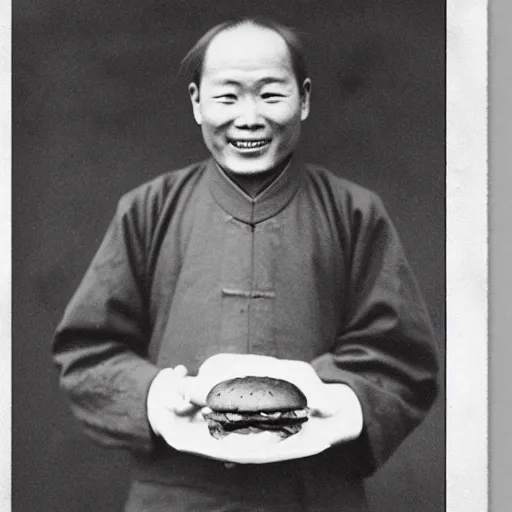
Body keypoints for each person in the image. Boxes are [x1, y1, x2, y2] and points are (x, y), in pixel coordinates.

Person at [52, 17, 439, 512]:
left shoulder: (355, 213)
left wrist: (342, 401)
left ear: (304, 98)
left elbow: (403, 359)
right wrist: (155, 399)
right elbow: (87, 352)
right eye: (227, 97)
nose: (249, 117)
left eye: (271, 95)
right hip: (175, 494)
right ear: (196, 102)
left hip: (312, 495)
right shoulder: (147, 209)